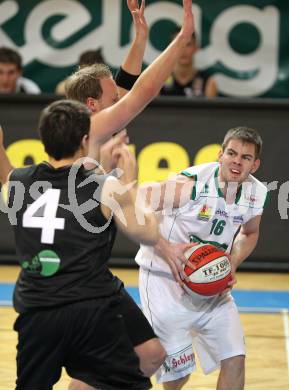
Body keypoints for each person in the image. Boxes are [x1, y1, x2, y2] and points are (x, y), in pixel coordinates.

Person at [0, 1, 196, 388]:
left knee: (145, 356)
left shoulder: (33, 170)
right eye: (112, 99)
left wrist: (140, 38)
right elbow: (143, 91)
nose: (119, 102)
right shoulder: (91, 130)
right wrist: (181, 38)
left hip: (54, 284)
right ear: (91, 112)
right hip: (82, 286)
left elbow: (126, 83)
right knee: (127, 367)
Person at [1, 99, 160, 389]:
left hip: (38, 313)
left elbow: (6, 171)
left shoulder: (16, 183)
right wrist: (130, 181)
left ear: (43, 139)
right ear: (85, 139)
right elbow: (147, 233)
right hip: (90, 312)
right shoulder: (105, 187)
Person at [136, 127, 268, 390]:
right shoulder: (191, 186)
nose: (236, 161)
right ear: (220, 154)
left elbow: (250, 233)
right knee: (179, 374)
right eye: (231, 153)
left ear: (255, 165)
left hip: (211, 283)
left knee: (235, 359)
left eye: (245, 157)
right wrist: (163, 246)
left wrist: (233, 261)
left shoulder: (257, 193)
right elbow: (138, 202)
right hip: (166, 282)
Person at [160, 28, 217, 97]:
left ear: (196, 47)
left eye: (188, 44)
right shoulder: (160, 80)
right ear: (170, 48)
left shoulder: (208, 82)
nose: (183, 50)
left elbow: (211, 107)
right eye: (178, 45)